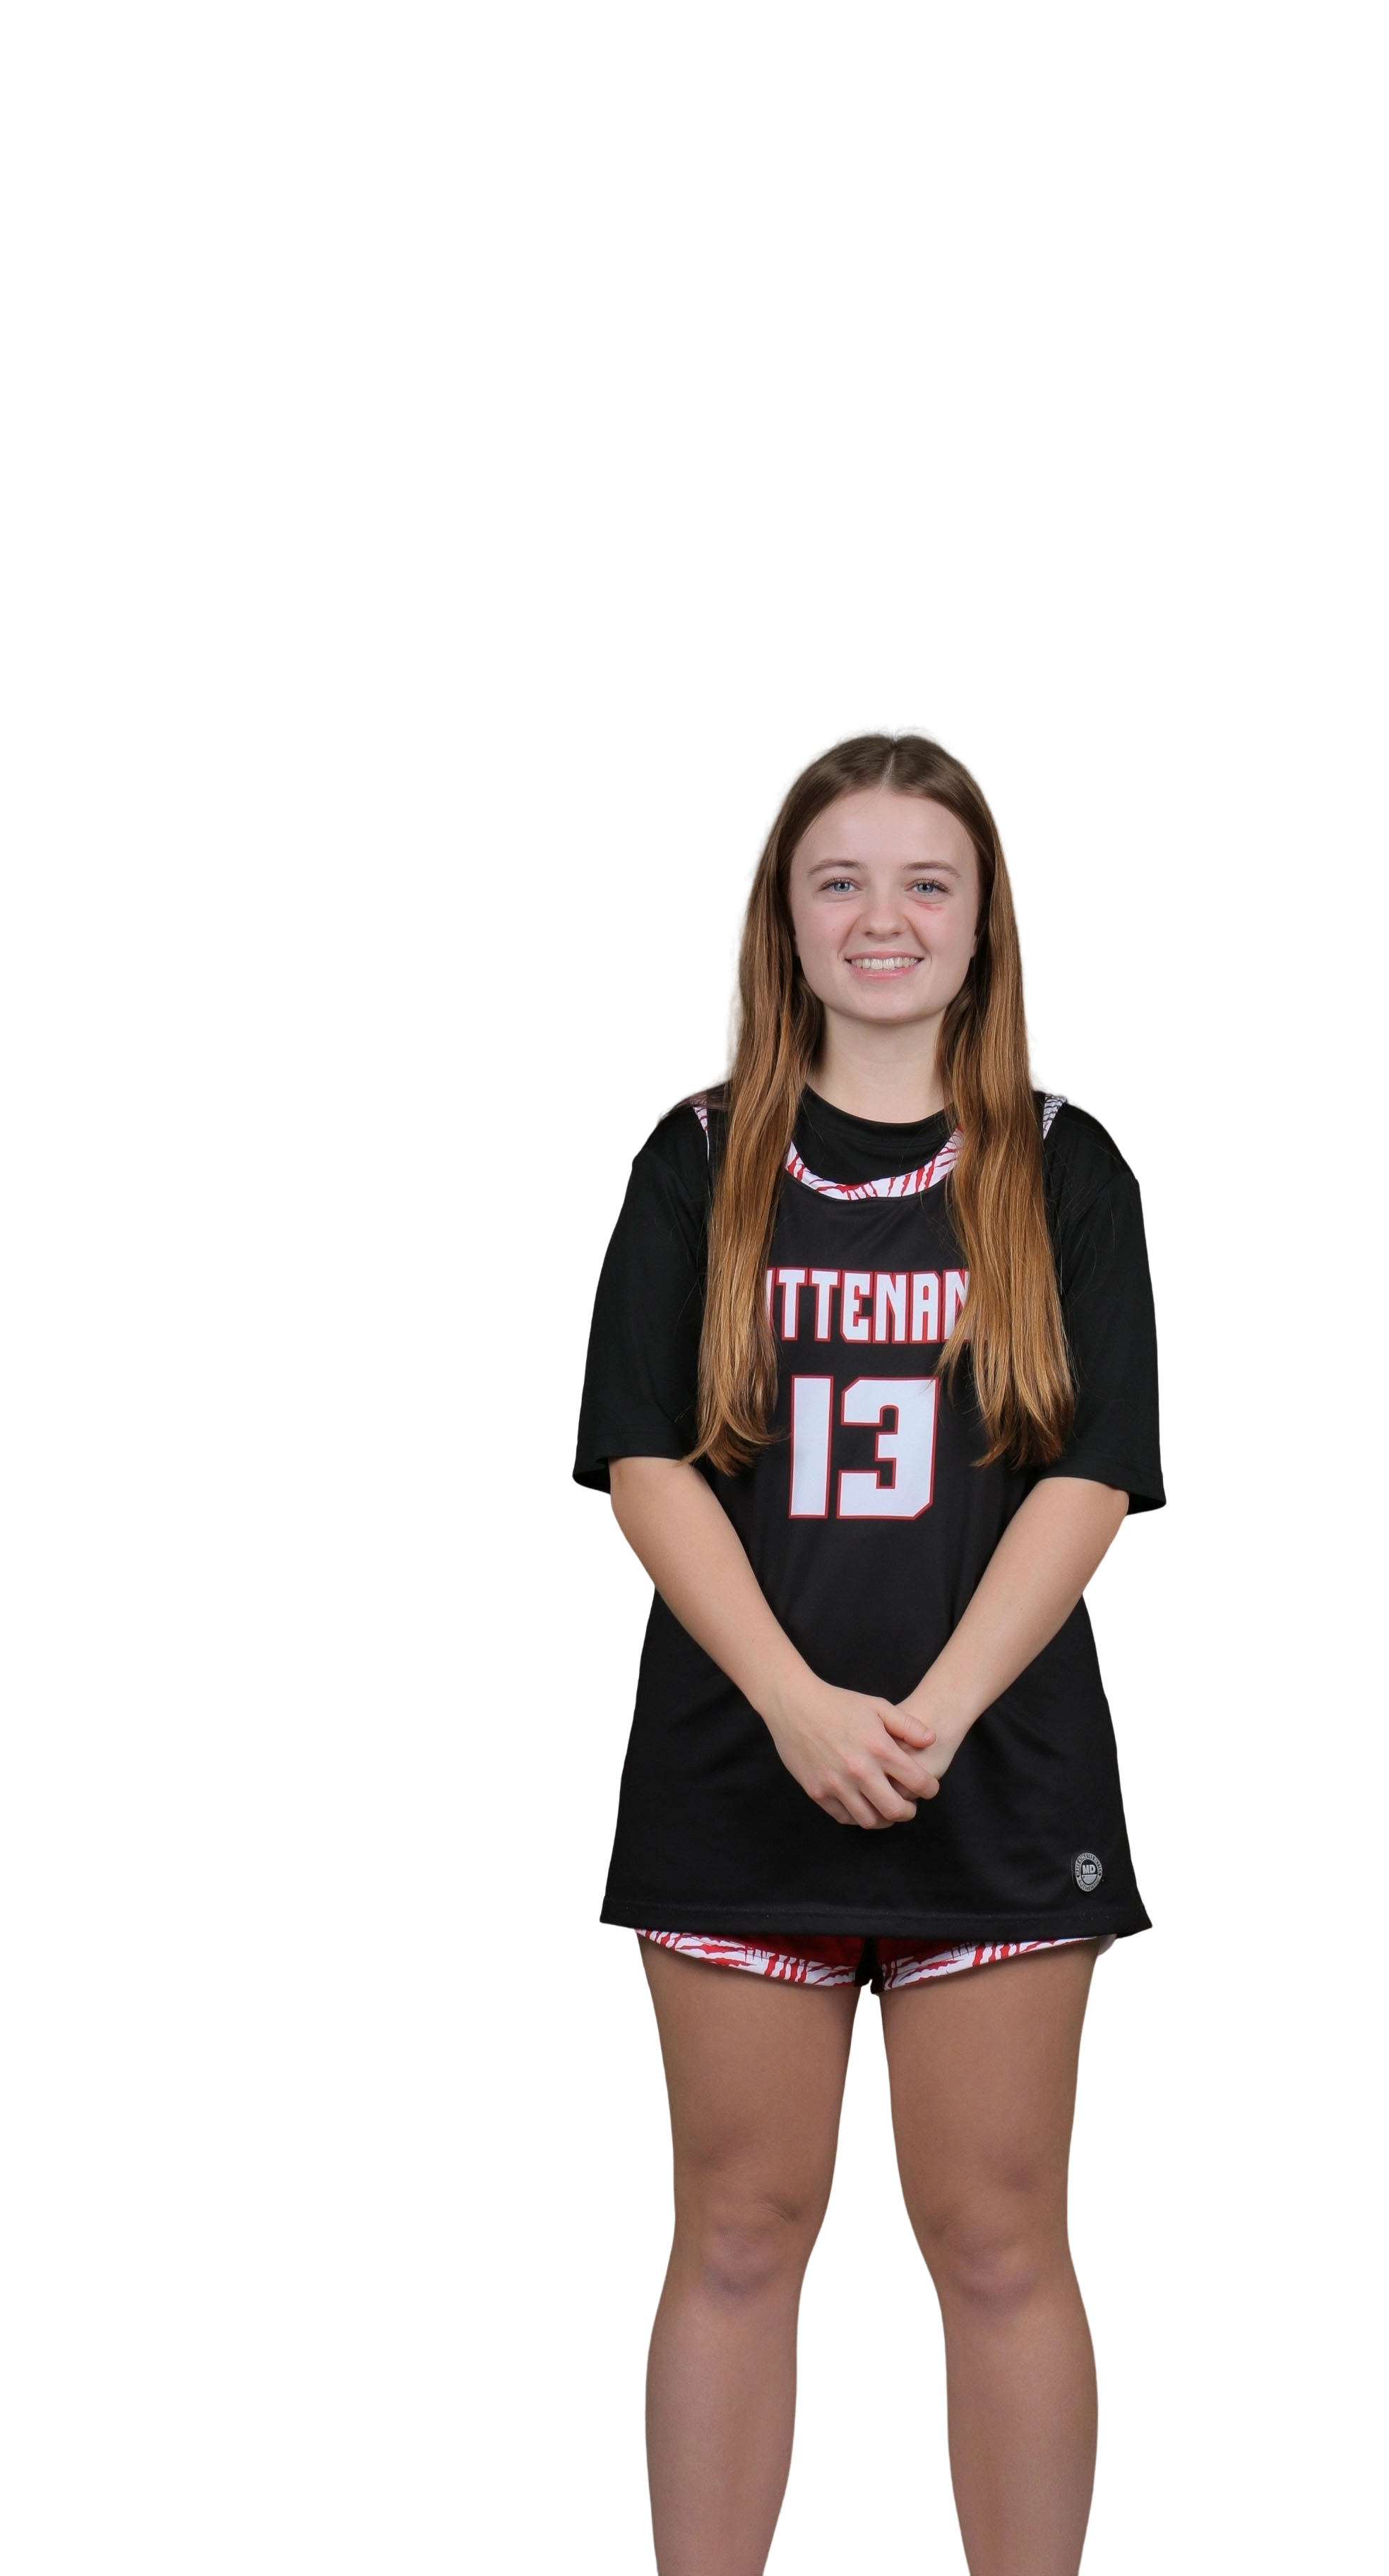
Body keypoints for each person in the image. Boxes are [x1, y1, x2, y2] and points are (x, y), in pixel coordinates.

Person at [571, 718, 1168, 2576]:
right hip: (742, 1758)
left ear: (987, 919)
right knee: (741, 2228)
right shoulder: (693, 1157)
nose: (883, 919)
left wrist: (934, 1713)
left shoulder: (1069, 1165)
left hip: (995, 1765)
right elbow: (646, 1466)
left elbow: (1096, 1475)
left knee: (999, 2239)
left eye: (927, 881)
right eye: (840, 880)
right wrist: (795, 1706)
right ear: (783, 914)